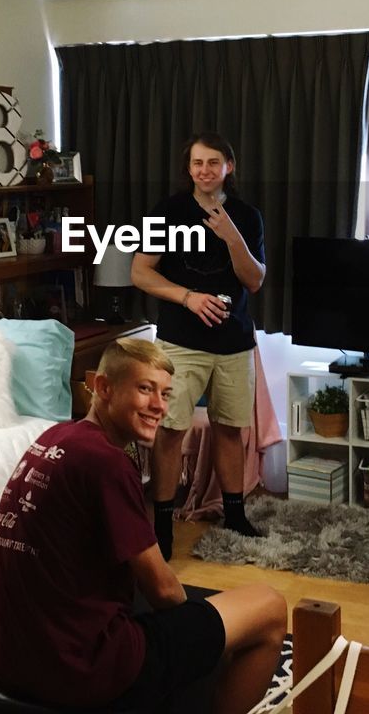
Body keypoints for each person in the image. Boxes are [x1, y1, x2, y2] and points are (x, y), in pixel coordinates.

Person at [0, 338, 286, 713]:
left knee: (203, 617)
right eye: (145, 389)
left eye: (165, 393)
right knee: (269, 608)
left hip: (11, 659)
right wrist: (206, 638)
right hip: (81, 669)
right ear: (103, 388)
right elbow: (163, 591)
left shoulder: (51, 439)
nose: (159, 405)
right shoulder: (106, 462)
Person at [131, 131, 266, 560]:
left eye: (213, 163)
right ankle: (163, 526)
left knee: (231, 429)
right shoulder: (167, 211)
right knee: (169, 431)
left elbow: (255, 280)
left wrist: (232, 236)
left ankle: (235, 514)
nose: (204, 171)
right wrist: (187, 296)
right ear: (188, 168)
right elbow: (141, 272)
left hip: (234, 341)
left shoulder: (246, 216)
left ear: (229, 166)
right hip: (180, 342)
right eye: (196, 163)